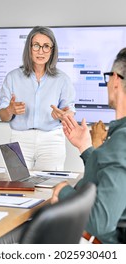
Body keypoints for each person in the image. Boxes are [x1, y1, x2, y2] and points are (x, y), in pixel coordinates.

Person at [51, 47, 126, 244]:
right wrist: (85, 148)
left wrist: (63, 191)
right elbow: (112, 175)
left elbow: (99, 222)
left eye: (109, 77)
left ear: (116, 80)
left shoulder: (123, 140)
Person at [0, 26, 75, 171]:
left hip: (51, 140)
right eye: (36, 45)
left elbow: (70, 111)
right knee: (16, 185)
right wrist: (10, 110)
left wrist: (64, 115)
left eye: (46, 46)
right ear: (29, 48)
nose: (41, 51)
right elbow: (2, 116)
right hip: (19, 138)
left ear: (52, 50)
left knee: (50, 187)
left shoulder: (63, 79)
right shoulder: (12, 77)